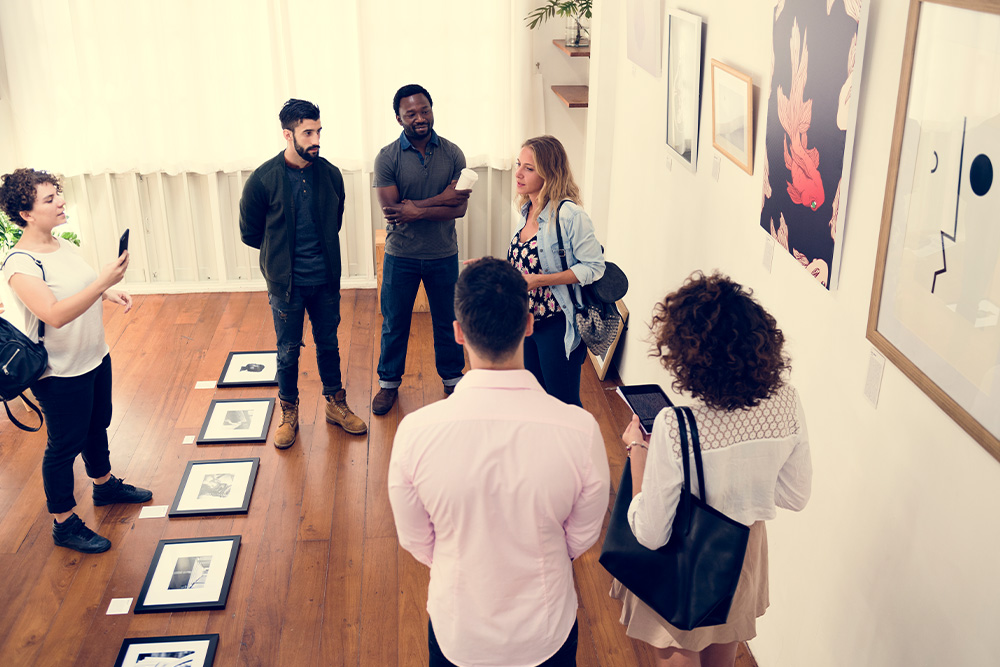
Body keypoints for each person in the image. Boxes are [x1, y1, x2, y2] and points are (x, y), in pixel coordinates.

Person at [388, 258, 610, 667]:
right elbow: (581, 537)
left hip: (459, 630)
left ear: (457, 333)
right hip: (546, 630)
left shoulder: (416, 433)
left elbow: (417, 541)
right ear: (529, 324)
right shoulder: (580, 430)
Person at [612, 272, 812, 667]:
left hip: (684, 557)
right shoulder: (787, 403)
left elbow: (651, 534)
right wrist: (739, 487)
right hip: (742, 552)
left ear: (690, 358)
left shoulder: (675, 427)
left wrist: (637, 449)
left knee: (679, 653)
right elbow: (795, 495)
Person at [1, 168, 152, 554]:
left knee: (97, 424)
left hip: (93, 356)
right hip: (60, 372)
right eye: (49, 200)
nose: (61, 202)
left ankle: (104, 485)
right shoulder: (20, 265)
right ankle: (64, 523)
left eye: (58, 195)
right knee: (64, 445)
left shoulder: (59, 244)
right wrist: (102, 284)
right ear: (26, 214)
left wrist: (106, 294)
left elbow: (78, 288)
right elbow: (53, 313)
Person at [239, 98, 367, 448]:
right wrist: (280, 259)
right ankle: (289, 412)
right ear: (287, 134)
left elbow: (334, 221)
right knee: (287, 351)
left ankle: (334, 404)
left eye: (318, 131)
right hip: (287, 285)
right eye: (308, 132)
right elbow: (251, 233)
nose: (316, 139)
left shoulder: (330, 175)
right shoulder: (263, 180)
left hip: (325, 279)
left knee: (329, 343)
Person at [372, 84, 471, 415]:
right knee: (395, 321)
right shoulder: (387, 157)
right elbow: (393, 212)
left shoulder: (453, 154)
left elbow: (459, 209)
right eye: (411, 113)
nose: (420, 118)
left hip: (444, 253)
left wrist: (417, 209)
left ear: (432, 109)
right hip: (401, 255)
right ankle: (388, 385)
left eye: (424, 110)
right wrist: (441, 198)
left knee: (448, 320)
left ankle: (454, 381)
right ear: (398, 118)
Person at [507, 135, 604, 407]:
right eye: (519, 164)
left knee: (564, 403)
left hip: (557, 323)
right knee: (536, 399)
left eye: (529, 168)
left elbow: (594, 267)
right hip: (528, 323)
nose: (518, 173)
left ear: (549, 172)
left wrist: (541, 280)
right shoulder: (526, 209)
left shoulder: (570, 215)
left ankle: (577, 449)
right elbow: (524, 262)